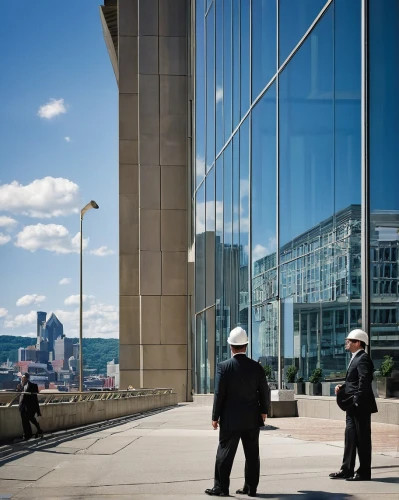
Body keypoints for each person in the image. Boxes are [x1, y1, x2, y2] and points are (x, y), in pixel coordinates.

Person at [205, 327, 270, 497]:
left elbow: (219, 394)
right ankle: (251, 488)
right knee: (252, 454)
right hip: (251, 418)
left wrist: (215, 416)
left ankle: (221, 487)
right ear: (246, 345)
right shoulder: (257, 367)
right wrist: (264, 411)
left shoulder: (223, 367)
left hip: (230, 419)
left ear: (231, 346)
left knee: (224, 453)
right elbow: (265, 391)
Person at [329, 329, 378, 482]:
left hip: (360, 405)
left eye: (349, 341)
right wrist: (342, 386)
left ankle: (364, 472)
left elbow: (364, 380)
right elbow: (354, 381)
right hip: (352, 404)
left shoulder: (363, 358)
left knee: (362, 438)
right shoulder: (355, 358)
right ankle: (347, 470)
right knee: (350, 437)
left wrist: (357, 399)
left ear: (358, 343)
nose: (346, 343)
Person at [18, 372, 43, 440]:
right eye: (22, 378)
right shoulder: (20, 385)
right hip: (22, 406)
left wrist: (38, 410)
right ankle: (27, 434)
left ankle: (38, 430)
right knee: (24, 420)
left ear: (27, 378)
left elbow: (35, 397)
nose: (23, 379)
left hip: (30, 406)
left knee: (30, 418)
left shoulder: (33, 385)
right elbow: (19, 394)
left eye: (25, 378)